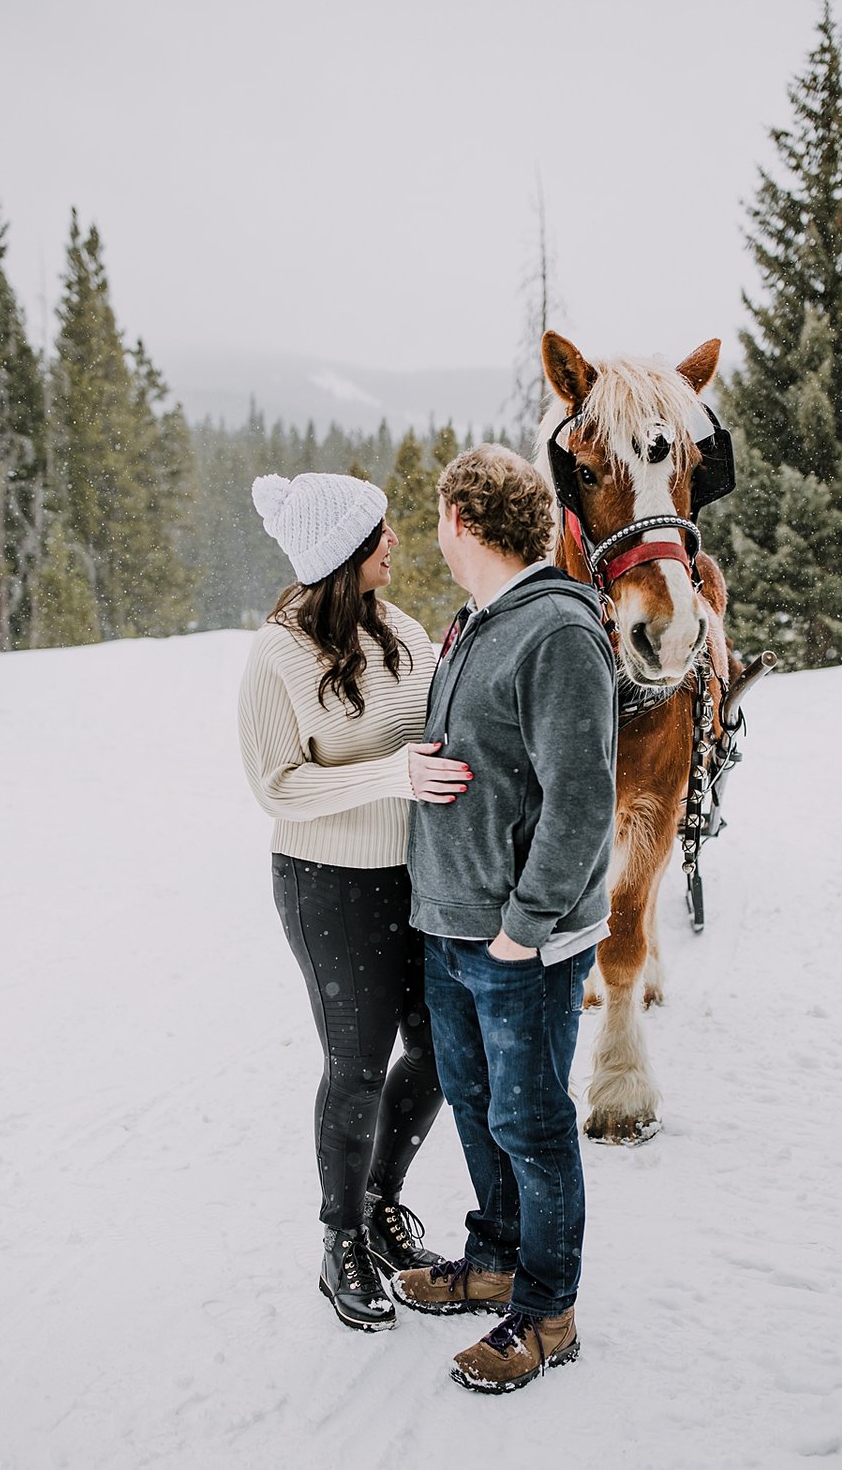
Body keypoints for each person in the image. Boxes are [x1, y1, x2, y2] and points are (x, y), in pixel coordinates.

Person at [394, 444, 618, 1393]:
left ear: (462, 522)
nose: (435, 534)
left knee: (532, 1121)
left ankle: (547, 1310)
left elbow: (581, 799)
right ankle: (493, 1257)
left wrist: (524, 927)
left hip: (517, 938)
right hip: (455, 924)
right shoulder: (477, 623)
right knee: (480, 1106)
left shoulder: (556, 632)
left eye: (439, 517)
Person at [237, 471, 471, 1333]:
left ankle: (378, 1201)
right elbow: (275, 786)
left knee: (445, 1050)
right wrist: (392, 775)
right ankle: (340, 1242)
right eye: (379, 533)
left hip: (416, 877)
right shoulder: (279, 652)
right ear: (341, 552)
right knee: (359, 1066)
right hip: (328, 884)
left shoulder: (400, 626)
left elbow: (430, 732)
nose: (397, 543)